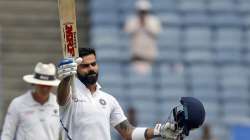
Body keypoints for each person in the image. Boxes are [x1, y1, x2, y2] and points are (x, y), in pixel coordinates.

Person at [57, 47, 179, 140]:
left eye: (93, 64)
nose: (91, 69)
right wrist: (67, 78)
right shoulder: (70, 93)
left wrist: (159, 131)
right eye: (85, 66)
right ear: (76, 69)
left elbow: (128, 132)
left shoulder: (109, 100)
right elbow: (61, 99)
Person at [1, 62, 60, 140]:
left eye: (48, 85)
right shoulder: (17, 103)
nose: (45, 88)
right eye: (42, 85)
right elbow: (7, 134)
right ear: (34, 83)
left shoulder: (59, 104)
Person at [124, 0, 161, 74]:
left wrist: (146, 25)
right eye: (141, 11)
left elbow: (156, 33)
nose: (142, 14)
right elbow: (128, 32)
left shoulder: (154, 21)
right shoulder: (132, 21)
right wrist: (138, 24)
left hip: (150, 57)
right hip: (136, 56)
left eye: (144, 11)